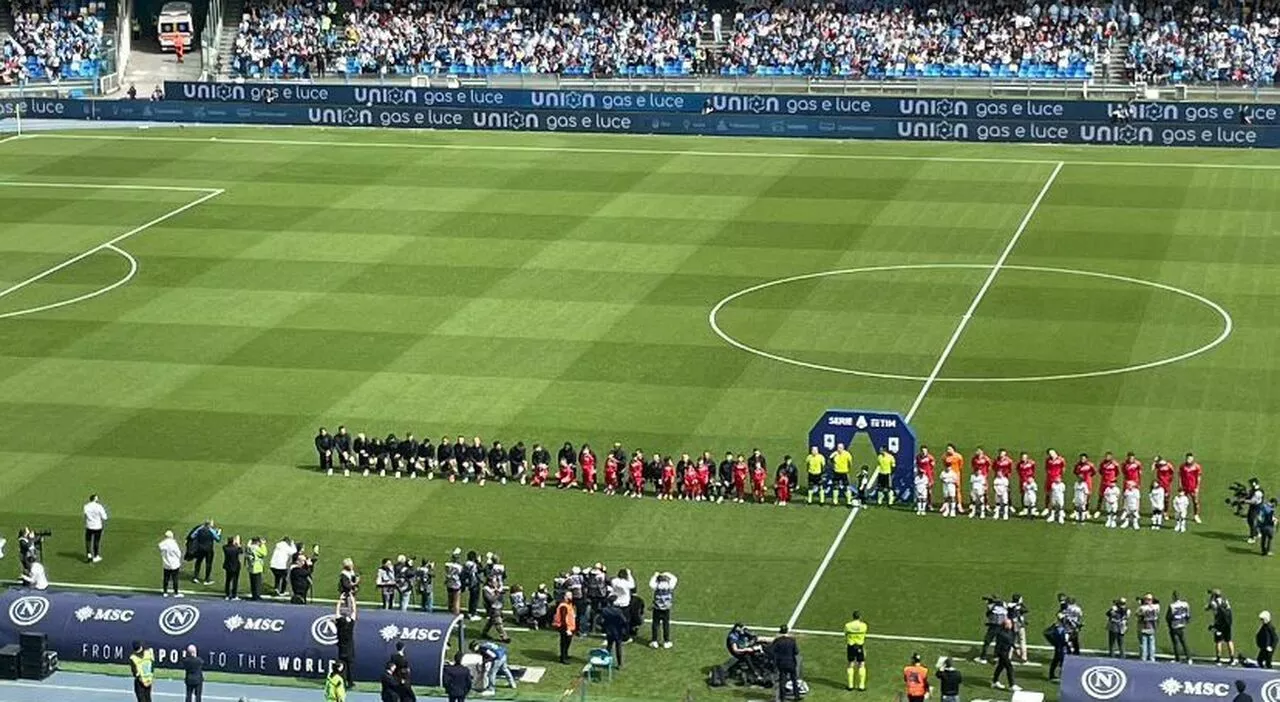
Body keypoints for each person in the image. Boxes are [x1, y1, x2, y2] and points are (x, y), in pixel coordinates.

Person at [1209, 589, 1237, 665]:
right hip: (1227, 624)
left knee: (1218, 641)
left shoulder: (1214, 603)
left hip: (1219, 624)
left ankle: (1218, 659)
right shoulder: (1226, 601)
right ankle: (1232, 658)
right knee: (1229, 640)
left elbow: (1208, 607)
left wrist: (1211, 597)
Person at [649, 571, 677, 648]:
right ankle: (666, 641)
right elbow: (674, 578)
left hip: (657, 608)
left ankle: (654, 641)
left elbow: (651, 583)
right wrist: (667, 573)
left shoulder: (656, 586)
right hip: (666, 608)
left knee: (655, 624)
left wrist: (655, 575)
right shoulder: (670, 586)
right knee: (666, 625)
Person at [772, 625, 800, 701]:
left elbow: (773, 651)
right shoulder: (792, 640)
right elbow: (796, 652)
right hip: (791, 662)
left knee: (782, 681)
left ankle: (783, 697)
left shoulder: (777, 641)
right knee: (794, 680)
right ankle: (796, 696)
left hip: (781, 663)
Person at [188, 520, 220, 586]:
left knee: (198, 562)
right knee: (208, 564)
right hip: (209, 550)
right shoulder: (211, 531)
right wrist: (219, 533)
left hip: (200, 548)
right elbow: (218, 539)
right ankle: (206, 579)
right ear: (209, 525)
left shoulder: (200, 529)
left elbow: (192, 536)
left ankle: (195, 577)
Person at [991, 619, 1019, 691]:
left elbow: (1011, 641)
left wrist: (1016, 649)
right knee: (1009, 667)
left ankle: (994, 681)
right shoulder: (1001, 634)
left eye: (1010, 623)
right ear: (1005, 625)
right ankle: (1012, 685)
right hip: (1002, 653)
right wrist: (995, 656)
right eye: (1008, 624)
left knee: (1000, 667)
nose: (1010, 625)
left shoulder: (1010, 632)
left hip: (1006, 651)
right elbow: (999, 645)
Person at [336, 597, 357, 688]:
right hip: (349, 650)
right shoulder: (350, 625)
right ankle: (350, 682)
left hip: (341, 649)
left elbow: (337, 613)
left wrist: (339, 602)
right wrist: (352, 600)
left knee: (342, 666)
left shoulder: (340, 626)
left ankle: (343, 681)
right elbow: (354, 612)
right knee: (350, 667)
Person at [601, 600, 628, 669]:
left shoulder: (605, 610)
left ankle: (606, 661)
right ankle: (619, 664)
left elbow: (601, 619)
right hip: (618, 631)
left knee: (609, 646)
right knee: (618, 647)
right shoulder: (618, 611)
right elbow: (624, 621)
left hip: (609, 631)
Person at [844, 611, 868, 691]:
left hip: (850, 646)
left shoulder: (847, 625)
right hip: (860, 646)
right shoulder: (864, 625)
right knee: (861, 664)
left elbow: (846, 633)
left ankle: (850, 685)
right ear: (860, 617)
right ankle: (861, 686)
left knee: (850, 664)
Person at [1168, 591, 1193, 663]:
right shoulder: (1185, 604)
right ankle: (1189, 658)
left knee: (1176, 643)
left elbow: (1169, 617)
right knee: (1184, 642)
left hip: (1174, 626)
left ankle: (1177, 658)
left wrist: (1170, 625)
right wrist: (1187, 620)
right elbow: (1188, 614)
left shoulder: (1172, 606)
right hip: (1182, 625)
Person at [553, 592, 577, 664]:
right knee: (564, 642)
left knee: (568, 641)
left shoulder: (569, 605)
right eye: (569, 596)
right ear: (565, 597)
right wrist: (567, 629)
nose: (571, 597)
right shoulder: (563, 606)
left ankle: (565, 654)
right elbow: (563, 619)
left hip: (569, 627)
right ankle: (562, 658)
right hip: (564, 627)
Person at [83, 494, 107, 563]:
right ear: (96, 499)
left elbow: (85, 515)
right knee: (96, 541)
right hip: (97, 526)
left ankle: (89, 554)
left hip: (89, 526)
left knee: (88, 541)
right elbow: (104, 517)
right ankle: (96, 556)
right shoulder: (99, 506)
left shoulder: (86, 506)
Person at [1180, 452, 1203, 523]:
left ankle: (1196, 515)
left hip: (1193, 487)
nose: (1189, 460)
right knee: (1183, 502)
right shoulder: (1182, 466)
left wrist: (1197, 488)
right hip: (1185, 487)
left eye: (1190, 458)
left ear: (1192, 459)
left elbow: (1199, 477)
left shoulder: (1197, 466)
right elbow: (1180, 476)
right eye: (1187, 458)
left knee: (1195, 501)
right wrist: (1180, 486)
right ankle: (1183, 514)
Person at [159, 530, 183, 598]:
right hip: (174, 564)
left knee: (166, 578)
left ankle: (165, 592)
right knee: (175, 578)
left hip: (166, 564)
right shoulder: (173, 544)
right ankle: (176, 593)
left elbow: (161, 549)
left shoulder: (162, 544)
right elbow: (178, 553)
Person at [1138, 594, 1160, 662]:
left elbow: (1138, 614)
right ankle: (1152, 658)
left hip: (1145, 627)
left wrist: (1140, 604)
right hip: (1153, 626)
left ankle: (1144, 658)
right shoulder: (1156, 607)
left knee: (1144, 644)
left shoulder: (1142, 608)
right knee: (1152, 643)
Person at [222, 535, 242, 600]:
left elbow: (226, 546)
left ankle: (227, 595)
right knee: (235, 581)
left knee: (228, 581)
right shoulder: (236, 549)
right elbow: (241, 551)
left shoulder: (225, 548)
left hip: (228, 566)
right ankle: (234, 595)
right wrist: (238, 543)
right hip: (236, 566)